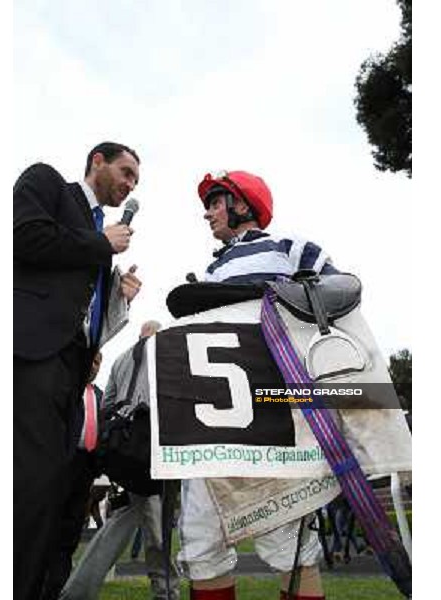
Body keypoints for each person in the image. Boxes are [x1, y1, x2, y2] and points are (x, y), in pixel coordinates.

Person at [178, 170, 339, 600]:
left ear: (242, 205)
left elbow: (341, 293)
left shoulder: (291, 248)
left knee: (286, 537)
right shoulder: (213, 268)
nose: (207, 212)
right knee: (201, 536)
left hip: (275, 409)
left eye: (215, 202)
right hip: (214, 417)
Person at [13, 142, 142, 600]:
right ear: (97, 161)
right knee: (28, 486)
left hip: (73, 374)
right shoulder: (46, 182)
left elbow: (84, 313)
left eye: (135, 182)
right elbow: (24, 237)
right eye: (126, 172)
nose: (129, 185)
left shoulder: (100, 240)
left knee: (52, 492)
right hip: (30, 356)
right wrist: (98, 243)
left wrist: (117, 298)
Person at [59, 320, 181, 600]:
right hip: (153, 450)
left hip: (123, 449)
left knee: (143, 517)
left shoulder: (122, 359)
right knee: (147, 522)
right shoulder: (165, 354)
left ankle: (163, 589)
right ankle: (164, 591)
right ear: (160, 335)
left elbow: (107, 405)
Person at [40, 352, 105, 600]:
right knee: (49, 531)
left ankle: (58, 587)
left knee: (70, 533)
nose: (94, 366)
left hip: (86, 471)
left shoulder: (99, 395)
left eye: (99, 362)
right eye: (91, 360)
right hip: (59, 469)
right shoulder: (65, 387)